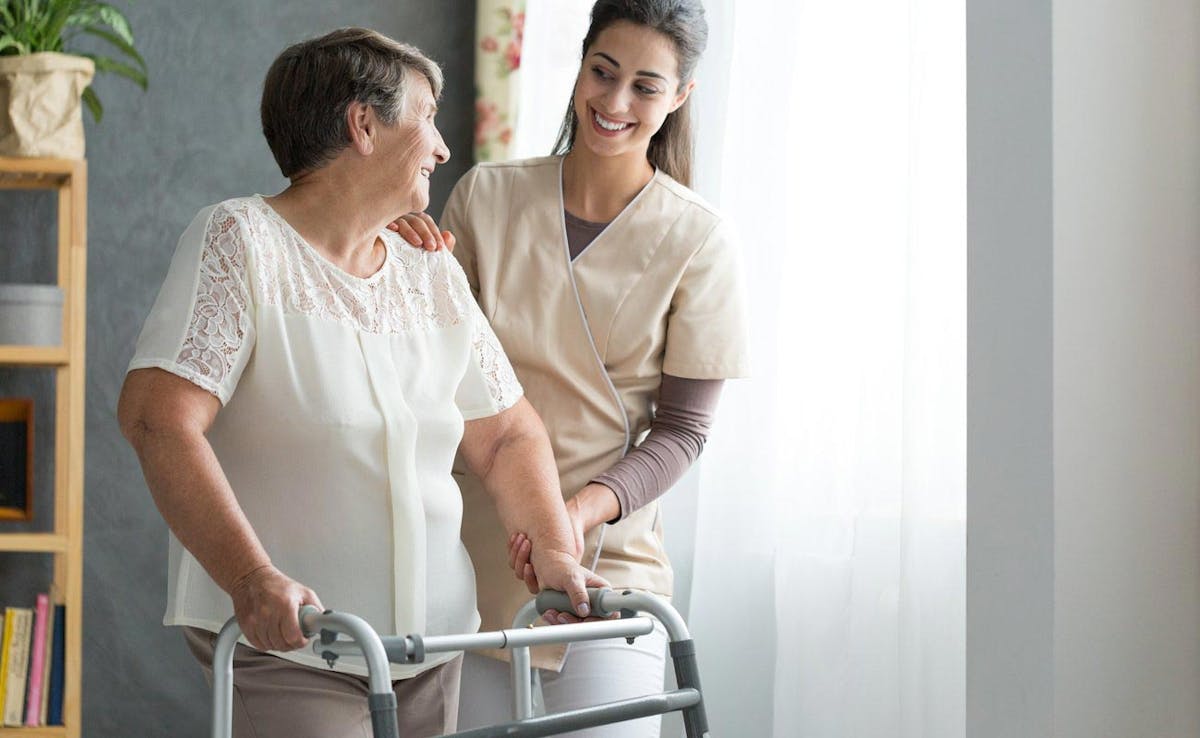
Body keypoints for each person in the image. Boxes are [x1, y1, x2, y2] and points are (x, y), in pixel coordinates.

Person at [117, 28, 602, 738]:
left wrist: (555, 549)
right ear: (364, 124)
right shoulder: (241, 242)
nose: (442, 147)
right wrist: (252, 579)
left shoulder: (426, 267)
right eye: (426, 117)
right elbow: (157, 419)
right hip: (292, 643)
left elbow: (506, 435)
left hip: (434, 645)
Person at [392, 1, 749, 735]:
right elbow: (428, 374)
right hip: (477, 558)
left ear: (680, 97)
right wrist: (399, 261)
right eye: (603, 72)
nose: (614, 104)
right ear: (581, 62)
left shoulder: (700, 240)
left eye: (646, 87)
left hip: (607, 571)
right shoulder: (488, 197)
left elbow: (681, 432)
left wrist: (570, 517)